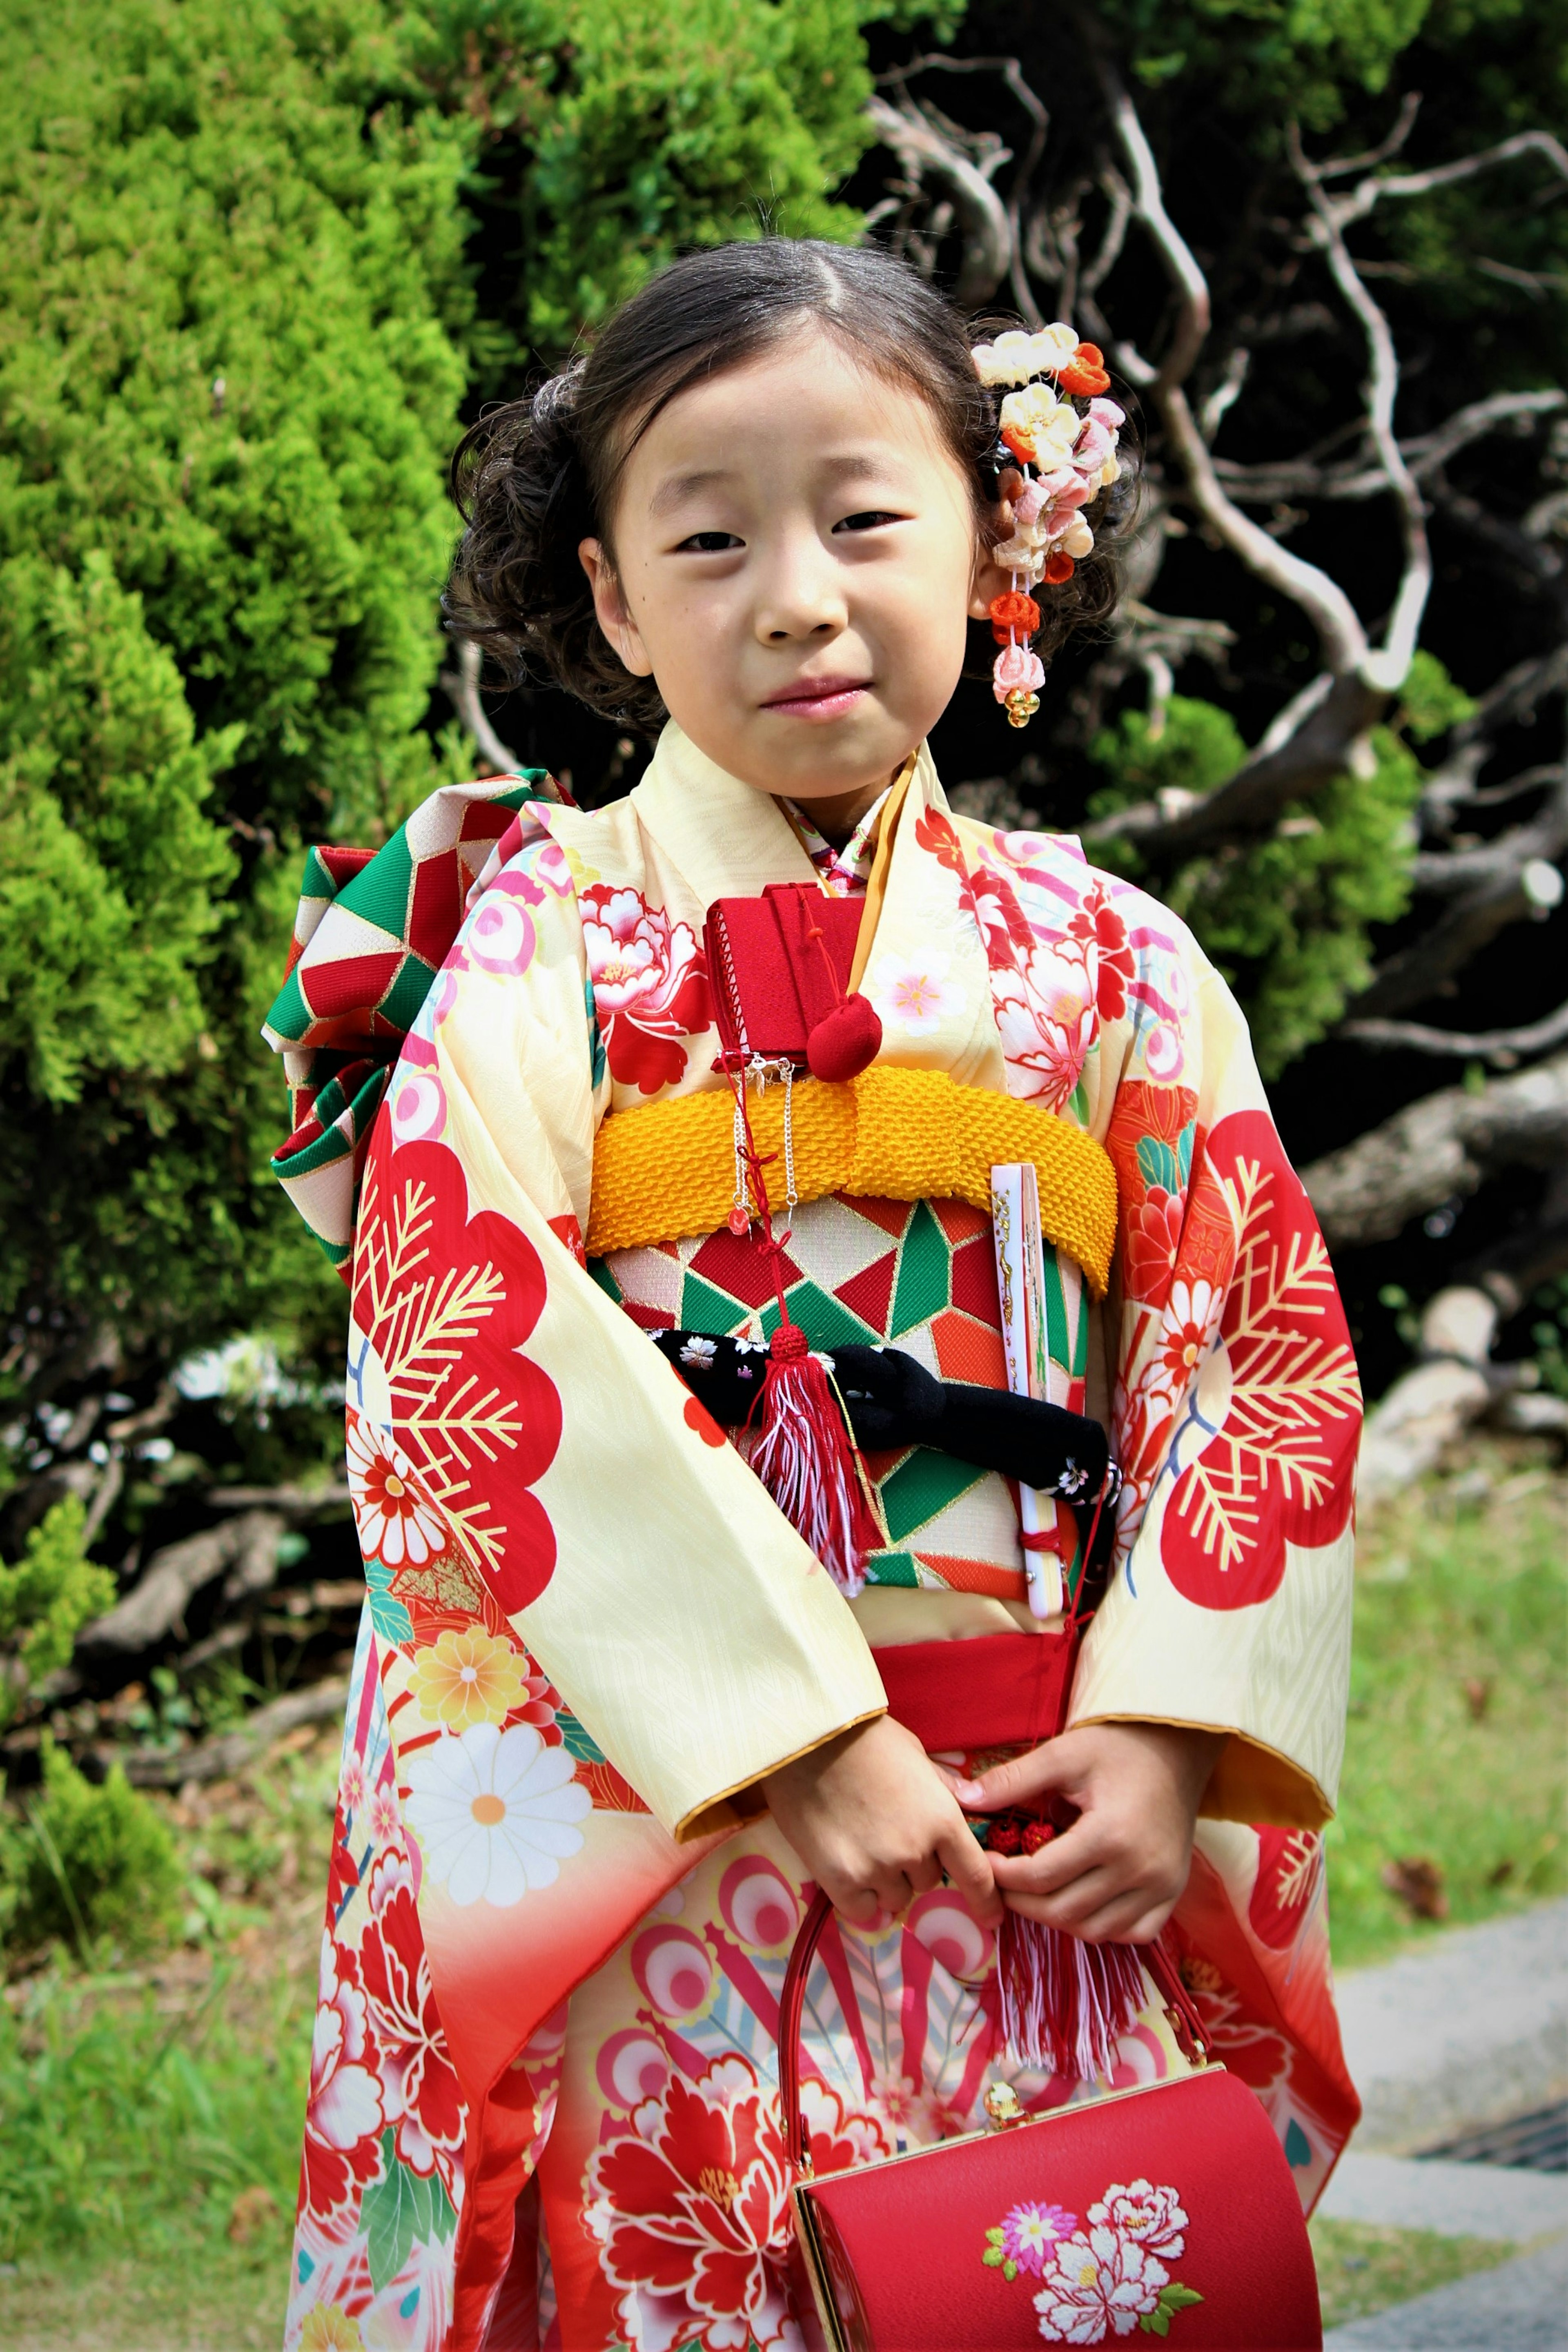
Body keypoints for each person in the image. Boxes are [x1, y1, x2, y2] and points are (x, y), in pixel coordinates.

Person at [266, 241, 1361, 2352]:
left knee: (1050, 2276)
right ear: (610, 602)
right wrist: (789, 1727)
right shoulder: (540, 949)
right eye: (708, 539)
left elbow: (1258, 1356)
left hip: (1044, 1823)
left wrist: (1168, 1732)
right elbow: (464, 1349)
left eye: (866, 518)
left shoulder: (1110, 960)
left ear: (992, 536)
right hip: (661, 1825)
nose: (795, 594)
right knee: (675, 2288)